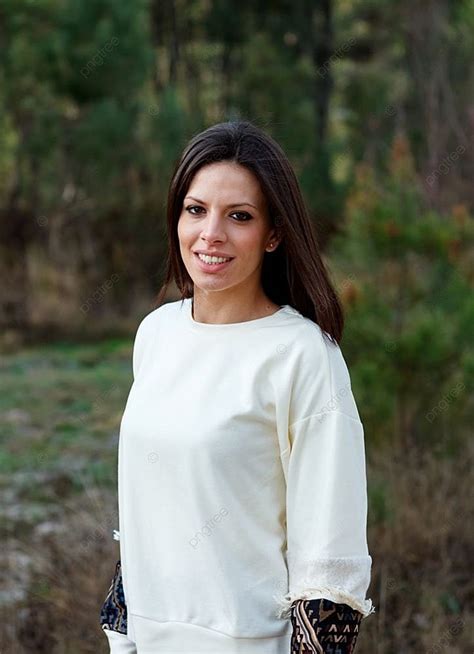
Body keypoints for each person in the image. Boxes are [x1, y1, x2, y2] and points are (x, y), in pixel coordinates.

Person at [99, 119, 375, 653]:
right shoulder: (156, 334)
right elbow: (146, 510)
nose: (211, 235)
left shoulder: (303, 355)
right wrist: (124, 640)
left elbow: (330, 558)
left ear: (274, 234)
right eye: (196, 210)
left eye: (239, 217)